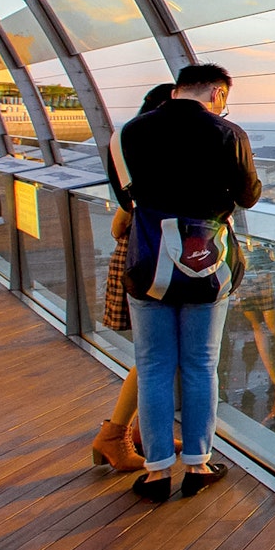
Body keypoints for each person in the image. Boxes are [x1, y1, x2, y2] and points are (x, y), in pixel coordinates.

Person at [115, 64, 260, 502]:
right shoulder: (228, 133)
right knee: (201, 365)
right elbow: (249, 193)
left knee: (155, 366)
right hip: (206, 263)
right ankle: (198, 463)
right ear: (217, 93)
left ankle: (157, 471)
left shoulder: (129, 132)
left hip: (151, 262)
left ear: (178, 90)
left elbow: (126, 198)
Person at [91, 83, 176, 473]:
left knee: (158, 354)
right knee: (154, 355)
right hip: (152, 262)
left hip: (141, 258)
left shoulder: (128, 147)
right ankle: (115, 433)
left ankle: (145, 430)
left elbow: (119, 223)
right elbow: (125, 217)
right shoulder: (148, 155)